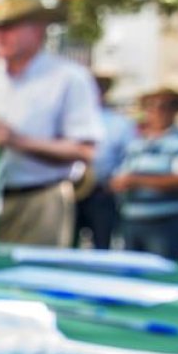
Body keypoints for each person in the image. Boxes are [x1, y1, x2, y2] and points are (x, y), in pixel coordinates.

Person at [0, 0, 103, 248]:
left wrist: (18, 141)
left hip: (40, 200)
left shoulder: (68, 79)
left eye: (9, 27)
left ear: (37, 30)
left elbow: (85, 150)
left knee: (30, 279)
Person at [111, 88, 178, 261]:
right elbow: (122, 173)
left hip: (166, 222)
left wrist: (136, 181)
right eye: (150, 106)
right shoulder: (137, 143)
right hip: (133, 219)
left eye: (165, 106)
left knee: (161, 276)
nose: (157, 111)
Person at [73, 75, 136, 249]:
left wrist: (116, 180)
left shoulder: (119, 123)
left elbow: (130, 155)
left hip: (101, 191)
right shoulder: (71, 119)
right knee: (66, 241)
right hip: (69, 190)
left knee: (102, 242)